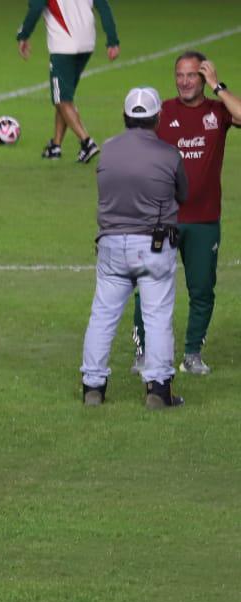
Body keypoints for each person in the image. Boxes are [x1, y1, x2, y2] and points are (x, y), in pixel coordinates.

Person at [130, 53, 241, 377]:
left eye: (192, 75)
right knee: (149, 285)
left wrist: (218, 86)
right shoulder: (163, 112)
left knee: (202, 290)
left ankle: (192, 353)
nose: (184, 81)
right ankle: (144, 352)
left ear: (203, 77)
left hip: (204, 220)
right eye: (179, 75)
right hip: (163, 219)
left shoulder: (218, 111)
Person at [80, 87, 187, 409]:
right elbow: (183, 194)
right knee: (157, 318)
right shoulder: (169, 155)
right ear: (157, 118)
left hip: (111, 244)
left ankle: (93, 387)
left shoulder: (108, 150)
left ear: (125, 116)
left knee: (102, 316)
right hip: (154, 245)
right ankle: (158, 389)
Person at [17, 0, 120, 163]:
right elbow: (103, 7)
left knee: (62, 100)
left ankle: (86, 142)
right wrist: (112, 40)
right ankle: (56, 146)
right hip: (87, 44)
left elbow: (35, 7)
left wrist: (23, 35)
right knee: (65, 97)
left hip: (64, 45)